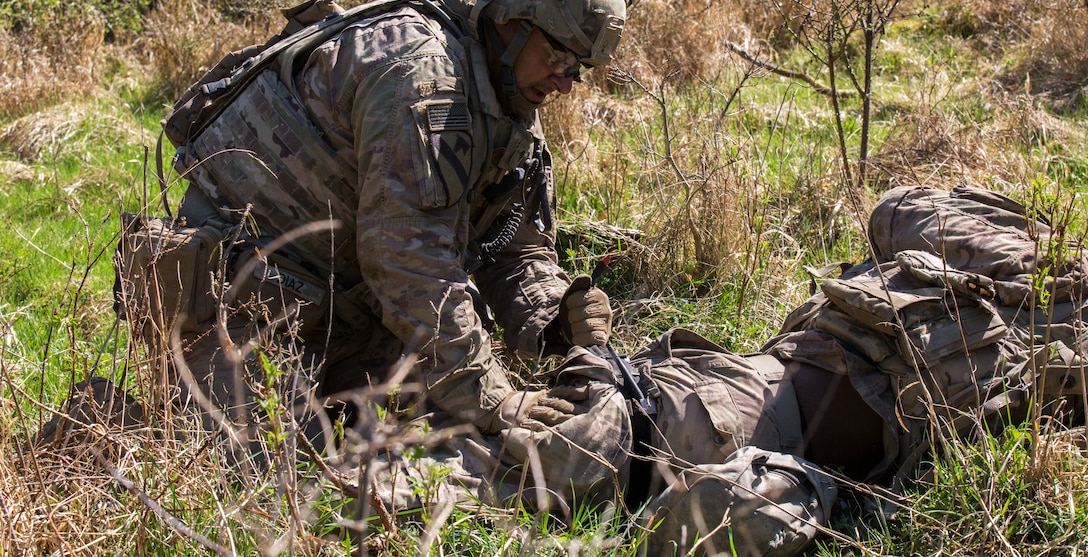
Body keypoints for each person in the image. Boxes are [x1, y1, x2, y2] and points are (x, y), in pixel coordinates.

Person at [360, 183, 1088, 557]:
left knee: (583, 448)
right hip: (759, 388)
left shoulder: (1057, 376)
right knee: (583, 442)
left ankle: (395, 477)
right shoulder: (1030, 272)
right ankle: (389, 478)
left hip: (750, 426)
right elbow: (908, 211)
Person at [113, 0, 631, 450]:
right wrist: (491, 398)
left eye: (578, 70)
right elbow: (408, 259)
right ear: (510, 21)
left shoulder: (507, 100)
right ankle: (98, 431)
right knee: (266, 481)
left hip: (350, 310)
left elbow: (512, 244)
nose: (565, 83)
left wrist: (553, 316)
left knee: (445, 449)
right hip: (244, 306)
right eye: (559, 58)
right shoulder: (421, 76)